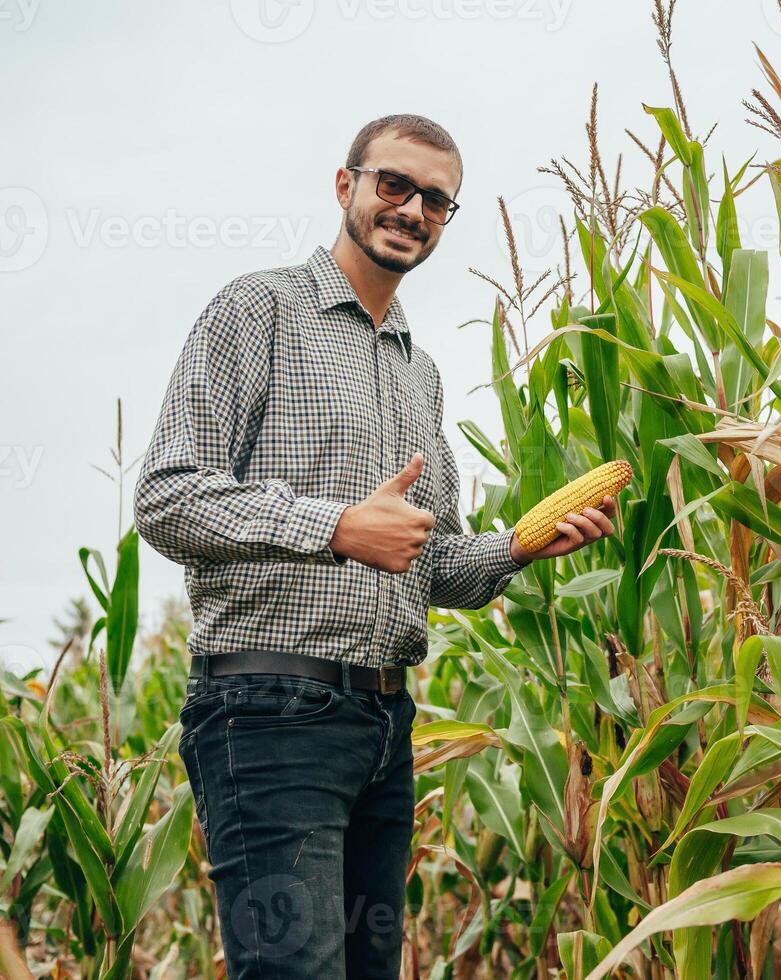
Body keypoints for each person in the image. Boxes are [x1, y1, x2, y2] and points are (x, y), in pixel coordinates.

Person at [133, 113, 618, 979]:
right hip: (269, 711)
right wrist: (334, 526)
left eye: (436, 199)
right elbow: (167, 499)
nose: (412, 209)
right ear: (345, 184)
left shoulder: (416, 369)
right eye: (394, 184)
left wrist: (520, 546)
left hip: (383, 723)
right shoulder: (259, 310)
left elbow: (432, 567)